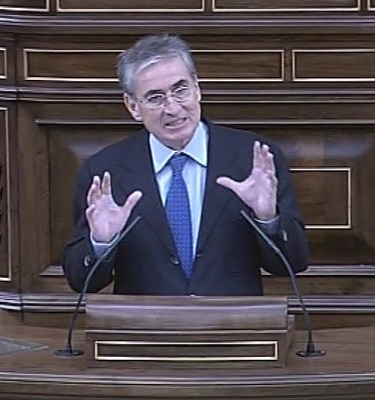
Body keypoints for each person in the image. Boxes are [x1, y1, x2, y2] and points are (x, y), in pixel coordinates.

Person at [62, 33, 309, 296]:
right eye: (155, 97)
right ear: (133, 106)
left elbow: (293, 263)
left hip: (233, 319)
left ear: (197, 88)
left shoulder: (253, 159)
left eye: (180, 90)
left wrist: (268, 218)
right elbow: (80, 280)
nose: (172, 108)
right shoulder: (104, 173)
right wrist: (101, 242)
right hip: (147, 320)